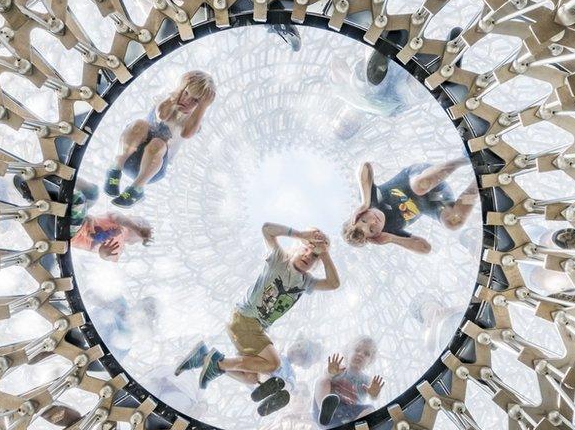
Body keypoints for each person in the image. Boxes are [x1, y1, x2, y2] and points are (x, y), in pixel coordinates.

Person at [174, 223, 340, 415]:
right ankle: (217, 363)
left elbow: (334, 283)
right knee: (274, 363)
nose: (308, 256)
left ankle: (202, 357)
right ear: (296, 247)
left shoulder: (306, 282)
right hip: (245, 319)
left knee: (251, 378)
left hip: (254, 328)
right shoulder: (280, 259)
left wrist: (325, 253)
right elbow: (267, 229)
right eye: (306, 249)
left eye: (314, 256)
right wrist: (301, 234)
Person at [104, 71, 216, 207]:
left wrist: (202, 107)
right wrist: (177, 93)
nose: (187, 100)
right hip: (131, 154)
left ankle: (136, 189)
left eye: (195, 101)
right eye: (186, 93)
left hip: (151, 168)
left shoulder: (192, 120)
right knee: (140, 124)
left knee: (158, 143)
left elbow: (187, 133)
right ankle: (115, 169)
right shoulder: (167, 98)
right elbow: (162, 115)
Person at [341, 160, 478, 254]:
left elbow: (364, 166)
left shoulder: (369, 200)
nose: (373, 222)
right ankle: (479, 181)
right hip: (435, 200)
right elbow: (426, 248)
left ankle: (463, 159)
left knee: (419, 187)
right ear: (375, 236)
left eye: (364, 220)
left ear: (359, 215)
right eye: (372, 229)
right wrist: (393, 239)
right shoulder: (390, 231)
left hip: (420, 176)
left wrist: (365, 202)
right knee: (452, 223)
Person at [314, 336, 385, 427]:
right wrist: (330, 372)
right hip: (333, 405)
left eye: (366, 354)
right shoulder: (339, 368)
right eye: (357, 350)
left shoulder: (367, 380)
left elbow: (374, 397)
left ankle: (355, 429)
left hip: (351, 413)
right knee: (322, 380)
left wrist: (374, 394)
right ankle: (323, 410)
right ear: (347, 352)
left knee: (370, 409)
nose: (360, 354)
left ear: (370, 361)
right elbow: (326, 377)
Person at [69, 210, 152, 262]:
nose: (142, 226)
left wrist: (104, 254)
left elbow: (109, 257)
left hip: (73, 236)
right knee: (88, 196)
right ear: (130, 216)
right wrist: (135, 228)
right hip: (79, 220)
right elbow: (119, 217)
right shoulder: (117, 218)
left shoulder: (120, 247)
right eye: (140, 222)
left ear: (131, 242)